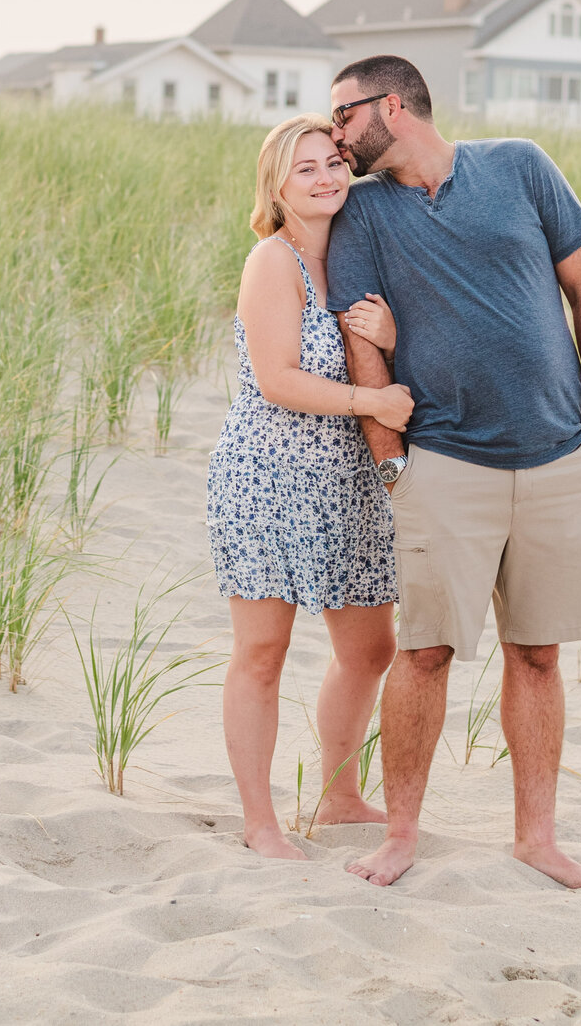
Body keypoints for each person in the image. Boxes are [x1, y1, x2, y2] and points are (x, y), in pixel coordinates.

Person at [325, 56, 581, 891]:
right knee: (424, 654)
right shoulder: (364, 212)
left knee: (537, 656)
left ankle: (535, 837)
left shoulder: (520, 165)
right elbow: (358, 338)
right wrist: (392, 467)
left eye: (343, 116)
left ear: (392, 105)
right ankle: (401, 835)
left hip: (561, 457)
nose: (336, 134)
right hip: (444, 463)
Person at [206, 114, 415, 860]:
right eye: (306, 170)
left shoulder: (361, 256)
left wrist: (392, 341)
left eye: (333, 162)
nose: (327, 178)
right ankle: (260, 821)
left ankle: (338, 794)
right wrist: (372, 402)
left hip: (352, 482)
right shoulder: (274, 260)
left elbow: (400, 357)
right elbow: (277, 379)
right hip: (268, 475)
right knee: (263, 648)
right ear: (277, 186)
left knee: (370, 648)